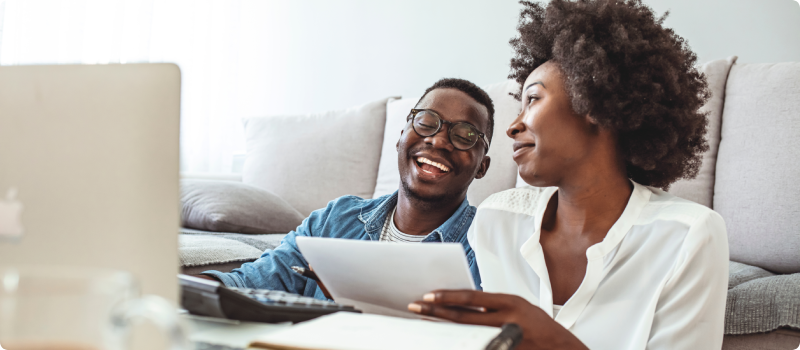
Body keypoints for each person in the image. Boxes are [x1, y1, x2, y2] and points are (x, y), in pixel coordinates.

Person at [408, 1, 729, 349]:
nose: (514, 127)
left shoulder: (687, 236)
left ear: (592, 103)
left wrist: (554, 341)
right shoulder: (496, 221)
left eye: (533, 99)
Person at [198, 78, 494, 300]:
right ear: (401, 136)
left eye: (465, 135)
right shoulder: (335, 219)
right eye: (427, 122)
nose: (439, 140)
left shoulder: (488, 244)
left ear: (482, 166)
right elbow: (251, 282)